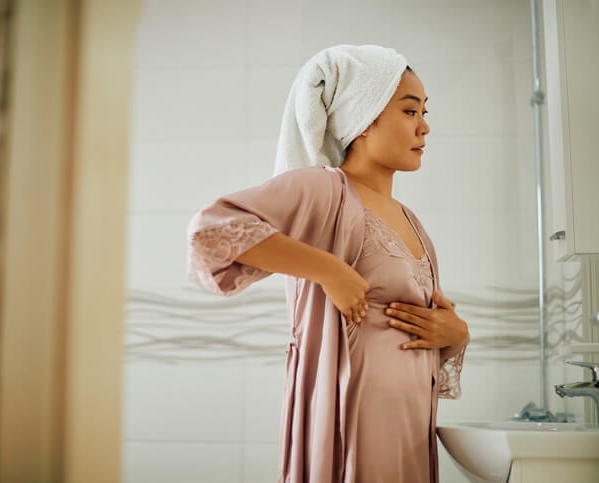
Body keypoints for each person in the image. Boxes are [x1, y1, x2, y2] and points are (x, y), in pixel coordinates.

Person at [187, 44, 469, 483]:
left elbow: (420, 327)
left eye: (424, 112)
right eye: (410, 112)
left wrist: (455, 334)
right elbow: (211, 232)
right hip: (348, 426)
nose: (425, 127)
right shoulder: (323, 191)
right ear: (365, 117)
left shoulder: (413, 222)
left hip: (411, 430)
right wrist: (327, 269)